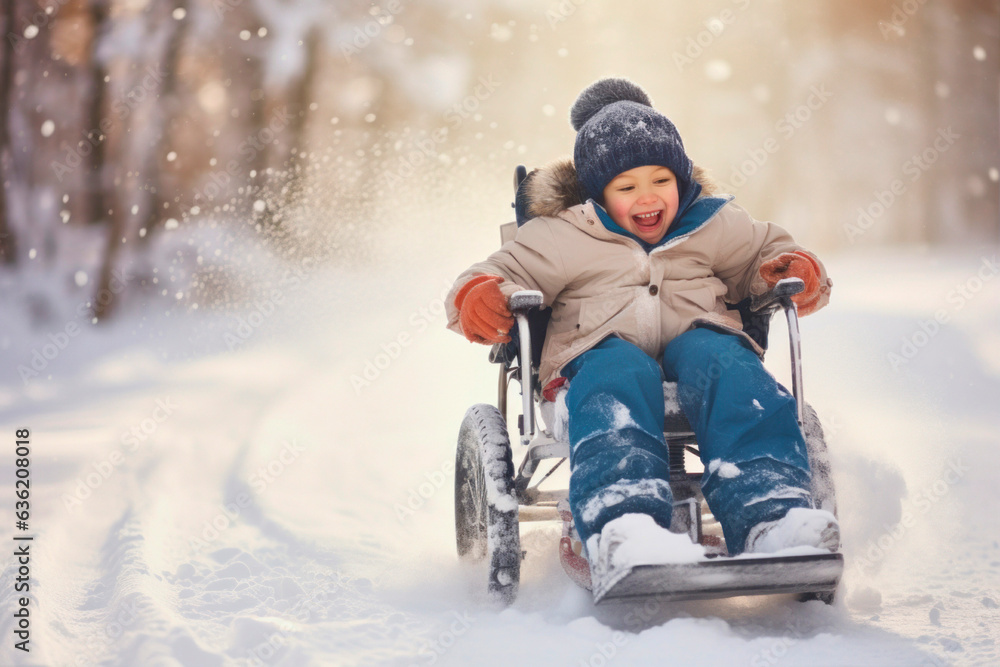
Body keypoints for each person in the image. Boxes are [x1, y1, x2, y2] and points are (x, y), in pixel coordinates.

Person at [445, 78, 838, 570]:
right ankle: (624, 523)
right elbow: (500, 270)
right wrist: (477, 294)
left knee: (728, 366)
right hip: (597, 353)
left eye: (661, 181)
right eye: (627, 187)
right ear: (598, 195)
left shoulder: (712, 223)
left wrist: (790, 266)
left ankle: (774, 514)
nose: (647, 197)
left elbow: (765, 251)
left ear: (683, 179)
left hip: (699, 344)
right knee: (619, 374)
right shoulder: (565, 232)